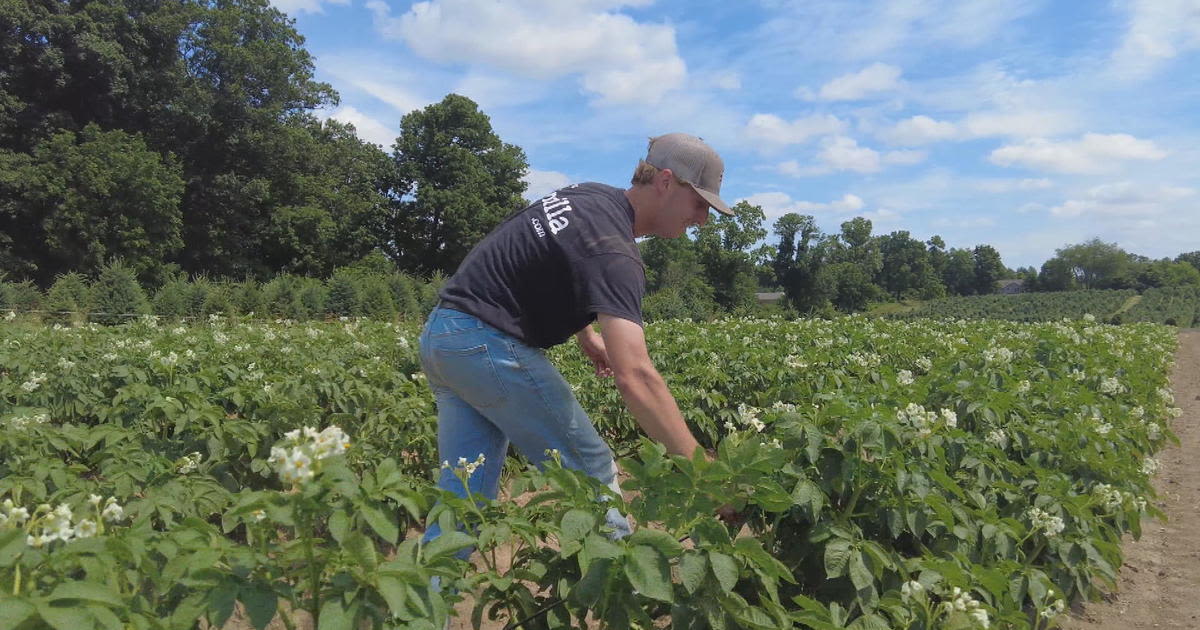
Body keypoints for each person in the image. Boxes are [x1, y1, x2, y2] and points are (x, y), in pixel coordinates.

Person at [417, 133, 736, 557]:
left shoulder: (589, 197)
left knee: (462, 504)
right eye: (699, 203)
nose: (703, 219)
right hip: (484, 345)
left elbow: (541, 256)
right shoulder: (616, 254)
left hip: (444, 337)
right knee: (590, 470)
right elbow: (636, 376)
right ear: (665, 181)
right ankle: (625, 595)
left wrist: (585, 333)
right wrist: (704, 474)